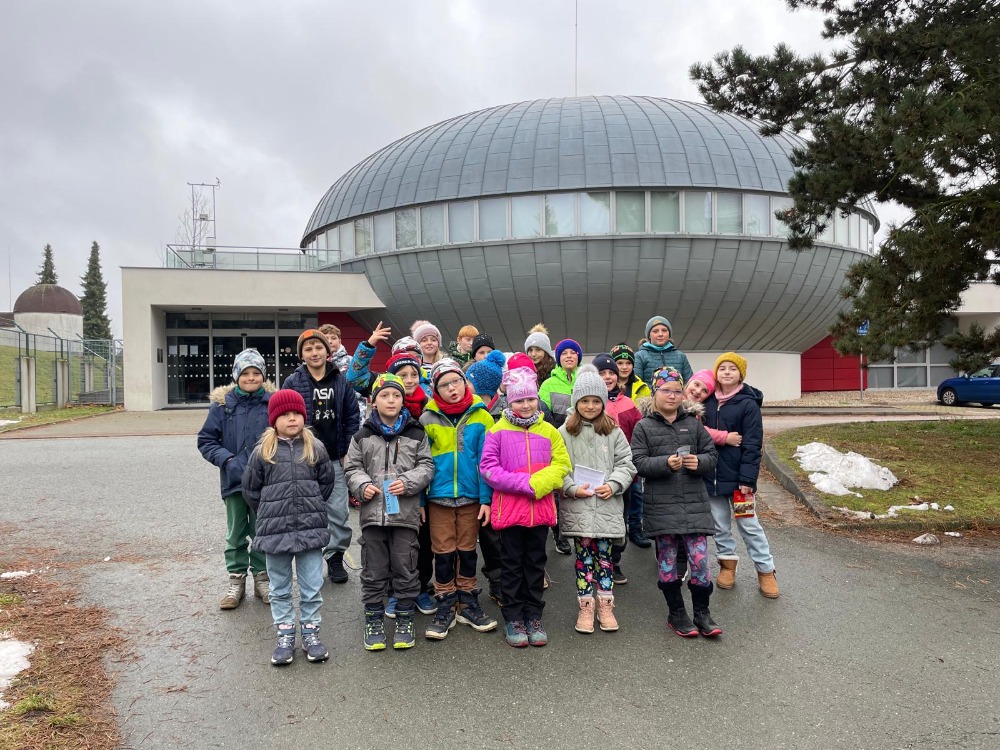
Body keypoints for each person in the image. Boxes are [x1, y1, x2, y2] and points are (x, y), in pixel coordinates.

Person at [243, 389, 336, 665]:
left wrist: (312, 505)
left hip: (310, 529)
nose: (292, 418)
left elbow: (326, 482)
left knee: (312, 586)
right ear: (274, 419)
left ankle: (310, 632)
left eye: (296, 413)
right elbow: (251, 490)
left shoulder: (315, 447)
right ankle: (284, 633)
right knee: (279, 587)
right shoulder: (263, 452)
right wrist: (269, 512)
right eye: (285, 415)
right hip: (275, 531)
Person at [480, 367, 571, 648]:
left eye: (530, 399)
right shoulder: (497, 431)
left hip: (540, 513)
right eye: (519, 400)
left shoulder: (550, 431)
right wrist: (525, 484)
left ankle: (534, 616)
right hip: (510, 512)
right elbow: (488, 468)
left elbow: (562, 464)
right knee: (511, 567)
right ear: (510, 401)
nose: (526, 405)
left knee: (535, 565)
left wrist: (539, 483)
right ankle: (513, 617)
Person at [345, 373, 435, 651]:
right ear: (374, 401)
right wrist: (362, 485)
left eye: (396, 395)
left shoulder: (416, 433)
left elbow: (426, 466)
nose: (391, 400)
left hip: (404, 517)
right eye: (385, 395)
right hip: (372, 517)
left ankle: (405, 618)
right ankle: (373, 618)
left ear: (403, 400)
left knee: (405, 566)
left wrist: (407, 483)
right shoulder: (362, 436)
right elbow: (352, 467)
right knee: (373, 569)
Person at [630, 368, 722, 638]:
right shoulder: (643, 426)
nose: (672, 396)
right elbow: (637, 462)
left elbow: (712, 454)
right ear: (654, 393)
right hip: (661, 506)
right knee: (667, 562)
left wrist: (699, 462)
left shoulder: (693, 424)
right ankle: (676, 612)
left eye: (677, 391)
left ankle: (702, 613)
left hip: (694, 504)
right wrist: (664, 464)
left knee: (700, 563)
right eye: (665, 390)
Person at [419, 359, 498, 639]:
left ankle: (467, 601)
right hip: (437, 497)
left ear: (465, 383)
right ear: (435, 390)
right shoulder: (427, 419)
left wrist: (486, 499)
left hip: (471, 496)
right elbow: (421, 463)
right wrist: (420, 502)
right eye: (444, 385)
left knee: (467, 550)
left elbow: (488, 463)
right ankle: (445, 602)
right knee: (442, 551)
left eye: (456, 381)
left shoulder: (482, 417)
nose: (452, 388)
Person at [558, 365, 635, 634]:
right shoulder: (564, 432)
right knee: (583, 559)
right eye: (584, 401)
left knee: (605, 558)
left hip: (606, 506)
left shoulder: (614, 432)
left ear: (603, 402)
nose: (590, 406)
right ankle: (586, 606)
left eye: (595, 401)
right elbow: (558, 467)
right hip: (578, 506)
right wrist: (571, 488)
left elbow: (626, 463)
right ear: (576, 402)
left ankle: (605, 604)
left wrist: (614, 484)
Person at [281, 329, 360, 584]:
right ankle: (311, 559)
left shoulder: (341, 380)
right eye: (308, 349)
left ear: (328, 351)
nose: (314, 353)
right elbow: (282, 419)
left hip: (335, 457)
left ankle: (335, 556)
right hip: (304, 459)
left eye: (318, 347)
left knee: (338, 512)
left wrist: (347, 450)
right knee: (306, 512)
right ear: (301, 354)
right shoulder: (293, 382)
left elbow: (352, 417)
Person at [197, 348, 274, 610]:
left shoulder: (272, 403)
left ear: (263, 375)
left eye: (256, 373)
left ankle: (262, 577)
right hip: (234, 482)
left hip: (265, 482)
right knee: (236, 533)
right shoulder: (222, 406)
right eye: (245, 373)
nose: (251, 378)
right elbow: (206, 440)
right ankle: (236, 579)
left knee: (262, 531)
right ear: (236, 375)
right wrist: (228, 461)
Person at [702, 352, 778, 598]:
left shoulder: (748, 404)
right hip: (712, 478)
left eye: (732, 369)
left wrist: (747, 479)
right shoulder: (707, 401)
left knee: (748, 524)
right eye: (722, 368)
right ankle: (727, 565)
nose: (727, 372)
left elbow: (753, 444)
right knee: (720, 524)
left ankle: (765, 570)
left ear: (741, 374)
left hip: (738, 481)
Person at [381, 350, 437, 618]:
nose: (410, 379)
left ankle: (421, 587)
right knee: (394, 543)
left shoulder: (429, 407)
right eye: (403, 375)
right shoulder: (388, 409)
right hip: (391, 490)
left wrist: (421, 496)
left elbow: (426, 461)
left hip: (422, 487)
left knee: (422, 542)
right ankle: (395, 590)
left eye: (414, 374)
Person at [634, 316, 693, 387]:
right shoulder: (640, 356)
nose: (660, 334)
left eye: (664, 330)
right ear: (649, 335)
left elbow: (689, 383)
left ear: (669, 334)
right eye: (655, 331)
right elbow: (636, 385)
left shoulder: (681, 356)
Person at [538, 338, 583, 428]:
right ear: (559, 358)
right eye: (564, 353)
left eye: (573, 353)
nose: (569, 356)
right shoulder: (547, 385)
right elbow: (543, 416)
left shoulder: (587, 381)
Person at [465, 349, 506, 414]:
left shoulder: (503, 413)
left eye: (469, 380)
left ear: (482, 385)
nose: (465, 384)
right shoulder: (466, 407)